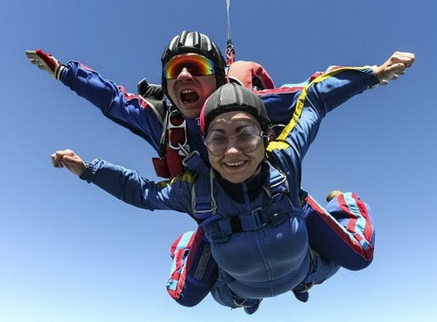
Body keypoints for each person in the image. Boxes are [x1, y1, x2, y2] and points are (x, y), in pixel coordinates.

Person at [28, 30, 415, 306]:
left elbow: (310, 97)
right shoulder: (163, 121)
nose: (184, 77)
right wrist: (66, 73)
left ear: (218, 77)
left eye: (195, 67)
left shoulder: (255, 106)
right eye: (175, 72)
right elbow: (114, 102)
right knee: (195, 295)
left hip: (277, 200)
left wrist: (372, 75)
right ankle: (223, 273)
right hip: (211, 212)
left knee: (357, 256)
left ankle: (332, 220)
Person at [51, 83, 376, 314]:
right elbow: (143, 192)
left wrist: (371, 76)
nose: (233, 151)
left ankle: (344, 203)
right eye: (218, 138)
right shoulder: (194, 189)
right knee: (184, 297)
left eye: (246, 134)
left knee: (360, 256)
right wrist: (89, 170)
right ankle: (189, 247)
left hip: (302, 269)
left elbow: (315, 103)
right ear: (205, 146)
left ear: (266, 137)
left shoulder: (284, 160)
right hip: (237, 284)